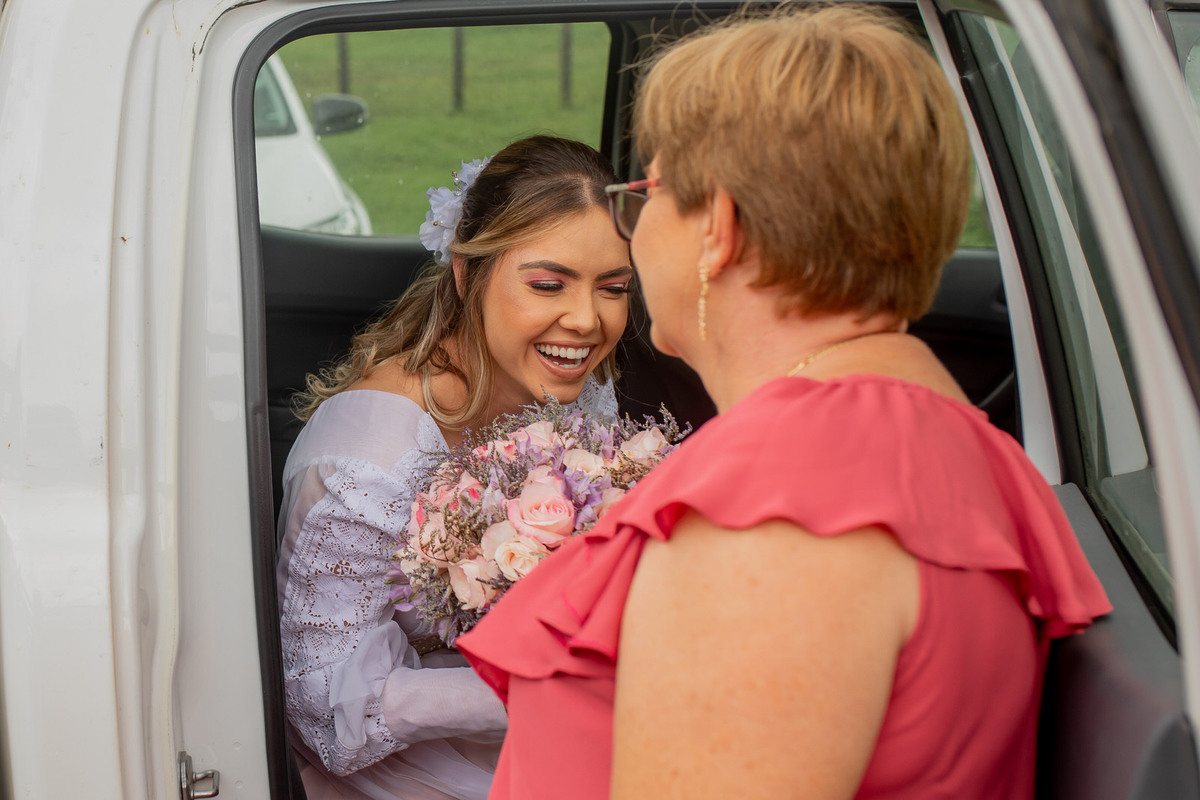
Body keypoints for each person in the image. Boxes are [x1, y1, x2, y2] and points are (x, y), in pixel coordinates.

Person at [457, 8, 1111, 800]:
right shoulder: (938, 435)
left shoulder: (780, 506)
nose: (634, 226)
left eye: (648, 192)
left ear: (719, 230)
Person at [276, 135, 632, 799]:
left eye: (613, 287)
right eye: (548, 284)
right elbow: (335, 717)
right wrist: (562, 687)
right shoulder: (365, 465)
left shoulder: (583, 385)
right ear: (467, 273)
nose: (586, 320)